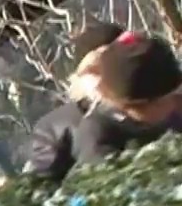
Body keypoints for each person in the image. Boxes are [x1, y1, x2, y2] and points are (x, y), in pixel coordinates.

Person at [23, 20, 126, 181]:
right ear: (80, 77)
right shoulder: (54, 127)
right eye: (96, 70)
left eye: (118, 67)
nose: (108, 78)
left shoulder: (160, 106)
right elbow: (36, 187)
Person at [67, 32, 182, 165]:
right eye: (165, 99)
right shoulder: (97, 138)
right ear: (134, 105)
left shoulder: (173, 107)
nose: (174, 102)